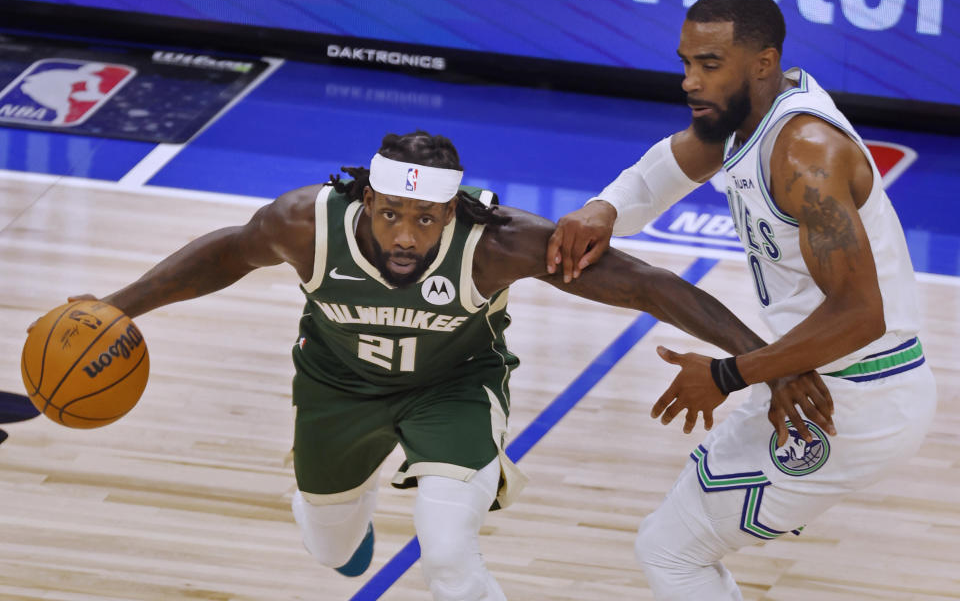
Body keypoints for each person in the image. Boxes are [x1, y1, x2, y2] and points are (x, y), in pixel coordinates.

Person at [49, 129, 829, 600]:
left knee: (449, 553)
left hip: (454, 392)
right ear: (365, 202)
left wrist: (765, 362)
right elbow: (221, 255)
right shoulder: (302, 223)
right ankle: (335, 517)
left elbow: (648, 285)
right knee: (331, 551)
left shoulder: (497, 244)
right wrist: (119, 304)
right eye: (392, 214)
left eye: (426, 219)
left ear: (452, 212)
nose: (406, 236)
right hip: (337, 391)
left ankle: (448, 487)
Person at [547, 0, 937, 600]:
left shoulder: (806, 155)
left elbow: (862, 314)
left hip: (855, 397)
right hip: (809, 375)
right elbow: (673, 163)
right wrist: (605, 207)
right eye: (685, 63)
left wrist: (729, 374)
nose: (689, 82)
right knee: (675, 548)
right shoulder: (746, 116)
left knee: (671, 552)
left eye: (709, 65)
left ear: (763, 62)